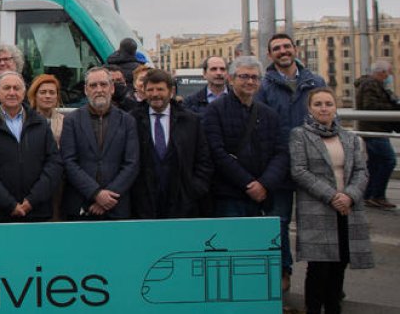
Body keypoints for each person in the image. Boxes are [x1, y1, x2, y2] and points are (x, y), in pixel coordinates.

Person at [290, 87, 374, 314]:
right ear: (309, 108)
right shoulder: (300, 135)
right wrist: (333, 196)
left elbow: (361, 171)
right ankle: (314, 309)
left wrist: (349, 196)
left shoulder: (350, 138)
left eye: (328, 103)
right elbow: (298, 170)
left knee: (340, 265)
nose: (324, 108)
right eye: (318, 104)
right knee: (318, 267)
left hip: (348, 209)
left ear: (336, 107)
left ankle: (334, 308)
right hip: (318, 209)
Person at [259, 32, 328, 285]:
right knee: (279, 221)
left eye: (287, 46)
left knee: (317, 223)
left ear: (295, 49)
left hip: (313, 164)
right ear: (270, 55)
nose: (283, 51)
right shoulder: (264, 86)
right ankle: (283, 271)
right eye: (277, 48)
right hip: (279, 166)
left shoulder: (315, 81)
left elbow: (328, 115)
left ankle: (320, 277)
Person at [204, 56, 289, 226]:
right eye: (244, 76)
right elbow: (216, 152)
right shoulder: (215, 111)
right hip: (228, 195)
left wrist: (264, 184)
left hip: (265, 194)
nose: (250, 81)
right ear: (231, 79)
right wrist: (249, 184)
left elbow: (281, 153)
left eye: (255, 77)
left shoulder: (269, 114)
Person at [0, 71, 61, 222]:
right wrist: (10, 204)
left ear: (24, 92)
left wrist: (32, 201)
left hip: (37, 210)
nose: (12, 92)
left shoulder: (40, 123)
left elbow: (54, 164)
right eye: (7, 88)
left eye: (16, 88)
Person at [130, 69, 213, 219]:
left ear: (171, 91)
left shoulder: (190, 121)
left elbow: (203, 160)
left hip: (183, 203)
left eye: (160, 89)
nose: (155, 94)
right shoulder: (132, 120)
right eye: (150, 90)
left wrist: (194, 189)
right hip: (143, 205)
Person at [60, 67, 140, 220]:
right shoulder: (72, 120)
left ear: (112, 88)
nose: (99, 90)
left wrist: (108, 197)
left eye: (103, 85)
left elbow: (132, 163)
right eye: (93, 85)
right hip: (80, 206)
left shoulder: (127, 121)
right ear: (85, 90)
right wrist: (95, 193)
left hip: (116, 205)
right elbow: (69, 162)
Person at [355, 60, 397, 209]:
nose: (390, 75)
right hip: (374, 130)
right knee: (388, 160)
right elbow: (370, 106)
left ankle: (369, 195)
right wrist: (392, 107)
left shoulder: (373, 84)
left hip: (375, 129)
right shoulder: (371, 84)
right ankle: (376, 195)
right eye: (389, 72)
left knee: (374, 164)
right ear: (382, 72)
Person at [27, 74, 64, 144]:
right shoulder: (24, 120)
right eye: (43, 92)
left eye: (52, 92)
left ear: (57, 96)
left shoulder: (65, 121)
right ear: (34, 95)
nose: (48, 96)